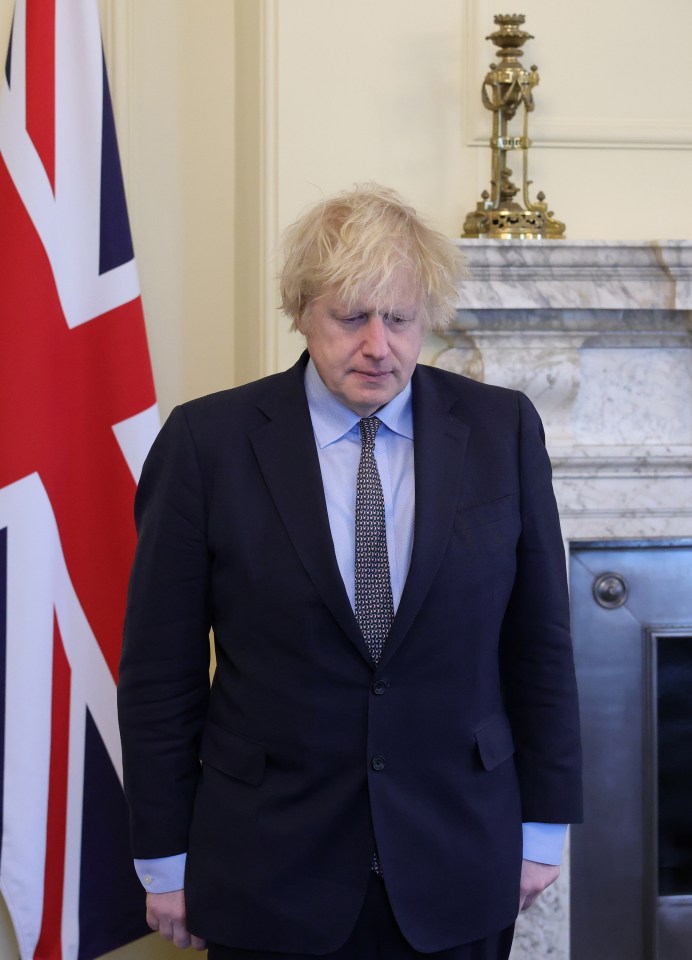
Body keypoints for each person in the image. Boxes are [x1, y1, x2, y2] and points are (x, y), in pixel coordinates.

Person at [118, 184, 582, 960]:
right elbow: (160, 674)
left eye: (399, 319)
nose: (378, 345)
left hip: (459, 858)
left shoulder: (501, 431)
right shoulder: (208, 443)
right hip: (267, 872)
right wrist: (163, 858)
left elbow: (541, 645)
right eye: (351, 317)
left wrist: (543, 829)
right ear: (301, 312)